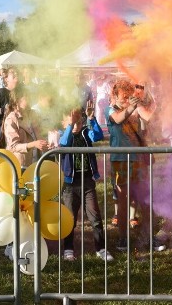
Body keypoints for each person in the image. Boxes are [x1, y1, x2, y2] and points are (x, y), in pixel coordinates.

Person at [107, 78, 155, 253]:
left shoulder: (134, 109)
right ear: (115, 96)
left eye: (129, 96)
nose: (126, 99)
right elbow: (119, 119)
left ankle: (149, 236)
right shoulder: (111, 110)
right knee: (123, 200)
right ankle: (123, 237)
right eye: (123, 97)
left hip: (138, 160)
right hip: (121, 161)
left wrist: (149, 101)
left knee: (144, 200)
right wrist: (133, 107)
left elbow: (147, 123)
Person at [59, 106, 113, 262]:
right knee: (70, 218)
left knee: (95, 216)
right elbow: (64, 144)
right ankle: (68, 249)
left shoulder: (85, 133)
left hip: (87, 181)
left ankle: (101, 248)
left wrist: (91, 118)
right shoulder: (63, 135)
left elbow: (98, 135)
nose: (76, 121)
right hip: (70, 184)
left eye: (78, 118)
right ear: (64, 123)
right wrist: (71, 124)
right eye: (71, 119)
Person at [1, 84, 48, 171]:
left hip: (36, 163)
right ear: (17, 100)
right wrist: (33, 144)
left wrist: (46, 143)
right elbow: (13, 146)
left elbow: (39, 134)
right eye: (27, 97)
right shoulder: (11, 119)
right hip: (20, 166)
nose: (30, 99)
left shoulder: (33, 114)